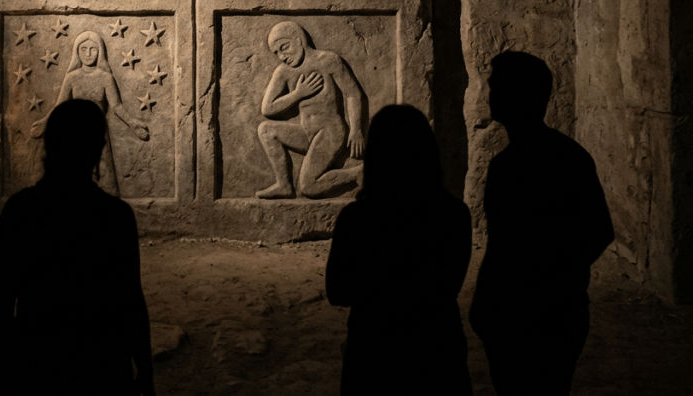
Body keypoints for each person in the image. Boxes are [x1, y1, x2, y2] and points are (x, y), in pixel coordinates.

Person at [470, 51, 614, 396]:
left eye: (495, 87)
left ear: (515, 95)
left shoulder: (510, 166)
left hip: (523, 312)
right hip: (558, 310)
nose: (488, 95)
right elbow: (599, 231)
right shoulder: (570, 156)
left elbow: (505, 247)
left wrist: (533, 280)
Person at [0, 99, 155, 396]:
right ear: (98, 150)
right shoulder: (114, 215)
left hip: (39, 359)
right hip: (101, 362)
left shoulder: (19, 210)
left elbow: (2, 304)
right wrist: (145, 370)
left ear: (51, 144)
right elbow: (131, 301)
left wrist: (5, 372)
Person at [326, 104, 472, 396]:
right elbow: (449, 284)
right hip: (437, 346)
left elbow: (338, 291)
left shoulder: (358, 219)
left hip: (374, 346)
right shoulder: (454, 214)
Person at [30, 31, 149, 196]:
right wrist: (45, 122)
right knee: (72, 170)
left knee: (104, 171)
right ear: (77, 52)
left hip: (98, 131)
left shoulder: (105, 78)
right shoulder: (72, 77)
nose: (88, 54)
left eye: (93, 49)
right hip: (74, 131)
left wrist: (133, 123)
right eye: (83, 49)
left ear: (100, 51)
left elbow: (117, 106)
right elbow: (60, 105)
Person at [256, 21, 365, 198]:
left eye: (285, 47)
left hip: (329, 132)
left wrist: (356, 130)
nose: (282, 56)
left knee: (308, 187)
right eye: (277, 53)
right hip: (306, 132)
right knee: (266, 130)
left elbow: (352, 93)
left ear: (299, 40)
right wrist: (298, 94)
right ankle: (284, 184)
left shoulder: (328, 60)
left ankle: (357, 173)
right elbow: (267, 109)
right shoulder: (283, 72)